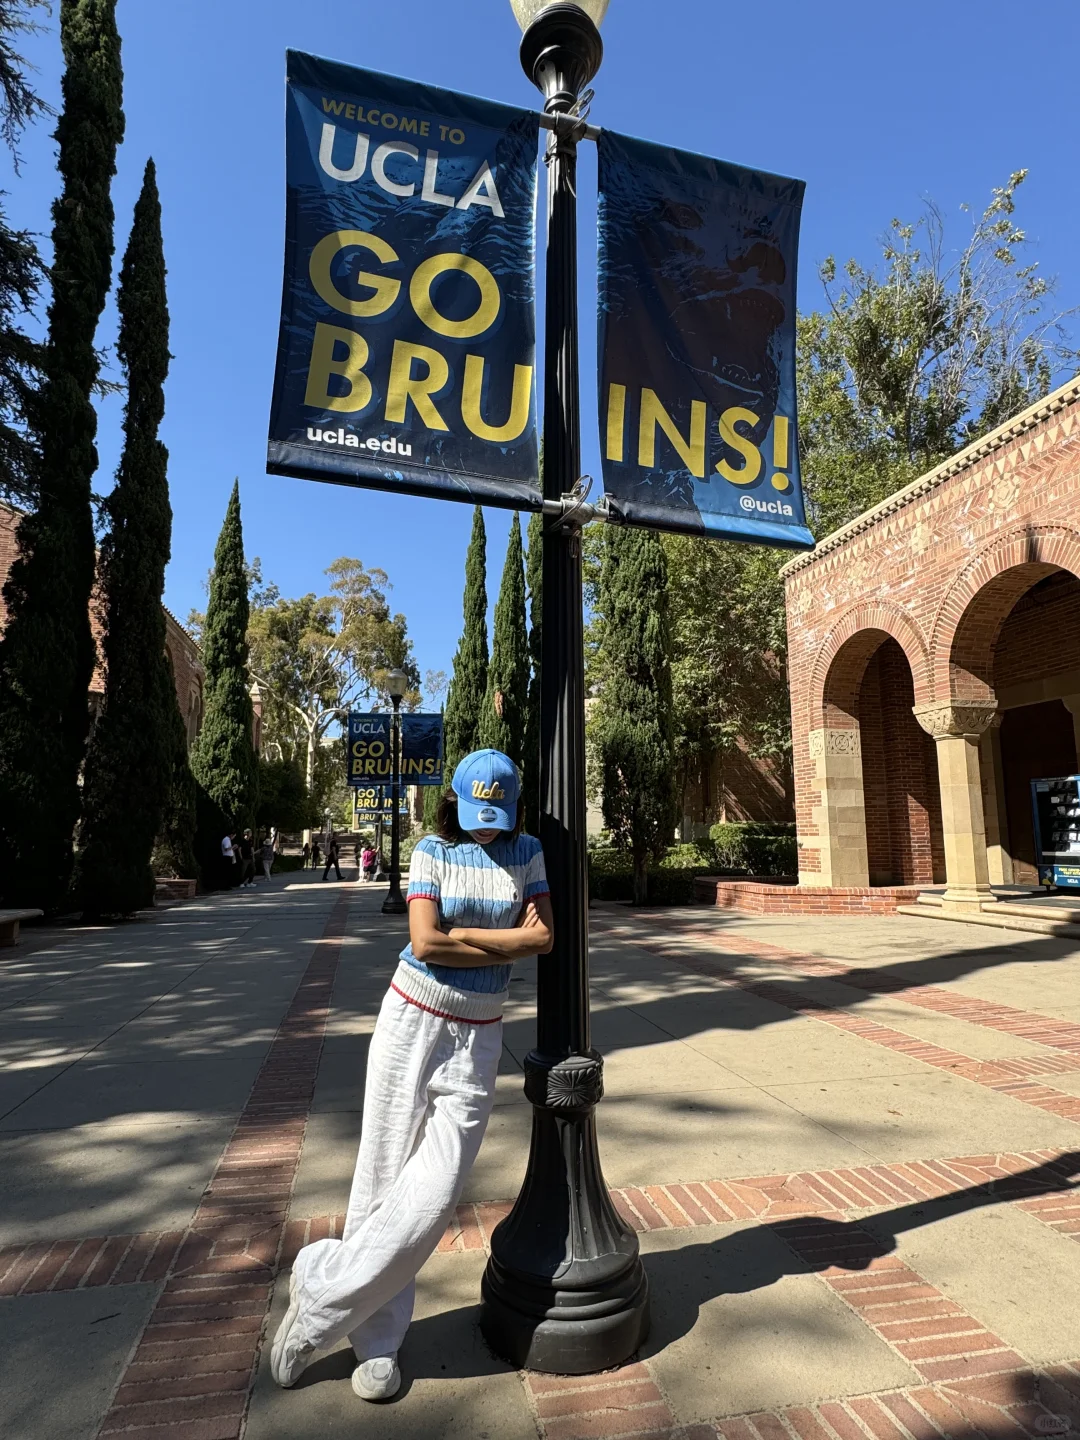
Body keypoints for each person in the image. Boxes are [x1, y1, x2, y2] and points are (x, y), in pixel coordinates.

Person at [271, 749, 552, 1403]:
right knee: (383, 1173)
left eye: (499, 814)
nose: (489, 827)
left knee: (434, 1193)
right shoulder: (431, 848)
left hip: (480, 1033)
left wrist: (474, 935)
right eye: (478, 813)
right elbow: (424, 943)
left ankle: (320, 1295)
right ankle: (377, 1340)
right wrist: (507, 939)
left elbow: (545, 938)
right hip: (412, 1018)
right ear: (454, 800)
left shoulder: (529, 850)